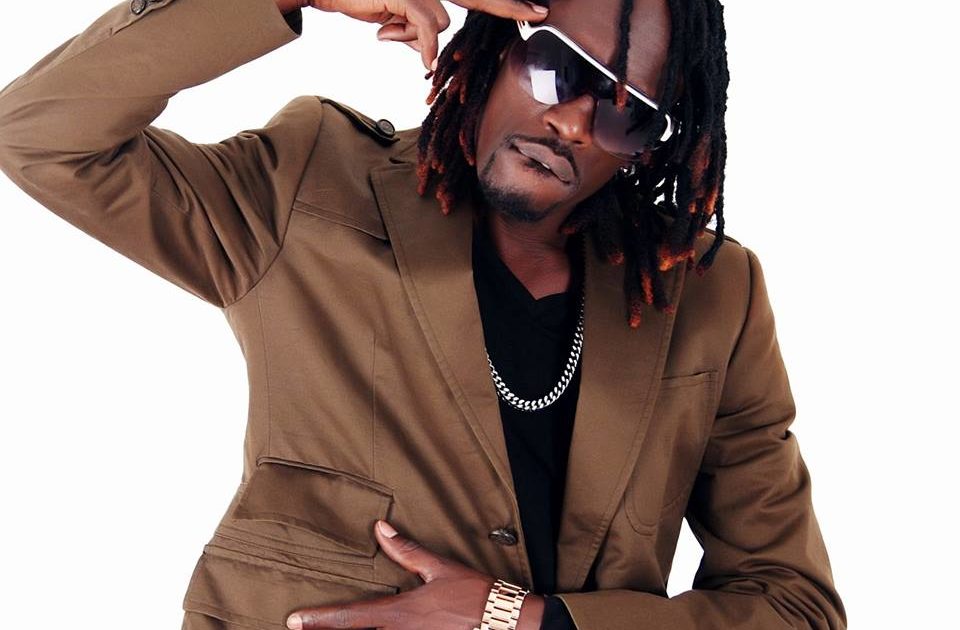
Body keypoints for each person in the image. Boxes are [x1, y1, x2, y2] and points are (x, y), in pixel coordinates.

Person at [0, 0, 847, 628]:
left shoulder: (707, 293)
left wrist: (527, 620)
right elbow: (39, 136)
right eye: (554, 66)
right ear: (495, 43)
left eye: (622, 112)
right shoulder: (310, 186)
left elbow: (794, 606)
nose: (570, 122)